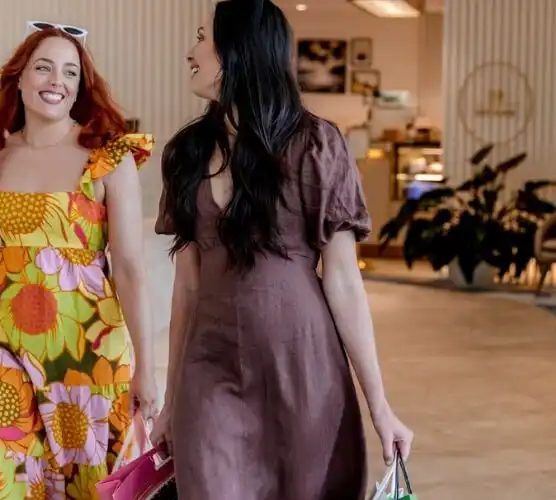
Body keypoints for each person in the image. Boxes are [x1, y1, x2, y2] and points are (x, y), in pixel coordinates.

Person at [148, 1, 414, 499]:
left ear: (238, 50)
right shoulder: (185, 154)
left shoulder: (317, 146)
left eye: (202, 37)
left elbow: (343, 282)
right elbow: (185, 287)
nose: (190, 51)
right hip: (211, 365)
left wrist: (379, 404)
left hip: (304, 367)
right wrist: (170, 400)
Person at [0, 25, 158, 499]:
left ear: (80, 87)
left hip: (84, 352)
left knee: (84, 486)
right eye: (45, 66)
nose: (58, 80)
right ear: (18, 78)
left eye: (71, 72)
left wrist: (146, 369)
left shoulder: (108, 158)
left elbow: (132, 268)